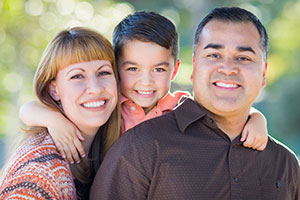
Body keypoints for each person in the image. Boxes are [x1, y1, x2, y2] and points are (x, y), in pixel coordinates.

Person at [89, 7, 300, 199]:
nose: (228, 68)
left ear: (263, 74)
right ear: (194, 67)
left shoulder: (286, 165)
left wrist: (257, 117)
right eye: (214, 54)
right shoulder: (138, 147)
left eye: (243, 58)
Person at [19, 11, 269, 165]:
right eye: (132, 69)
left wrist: (257, 118)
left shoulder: (183, 106)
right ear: (116, 68)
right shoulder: (108, 107)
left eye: (158, 70)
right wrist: (54, 120)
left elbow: (225, 115)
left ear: (174, 69)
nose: (146, 82)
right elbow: (28, 109)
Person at [0, 27, 120, 200]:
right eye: (77, 76)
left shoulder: (111, 143)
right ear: (54, 90)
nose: (95, 88)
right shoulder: (39, 173)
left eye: (104, 73)